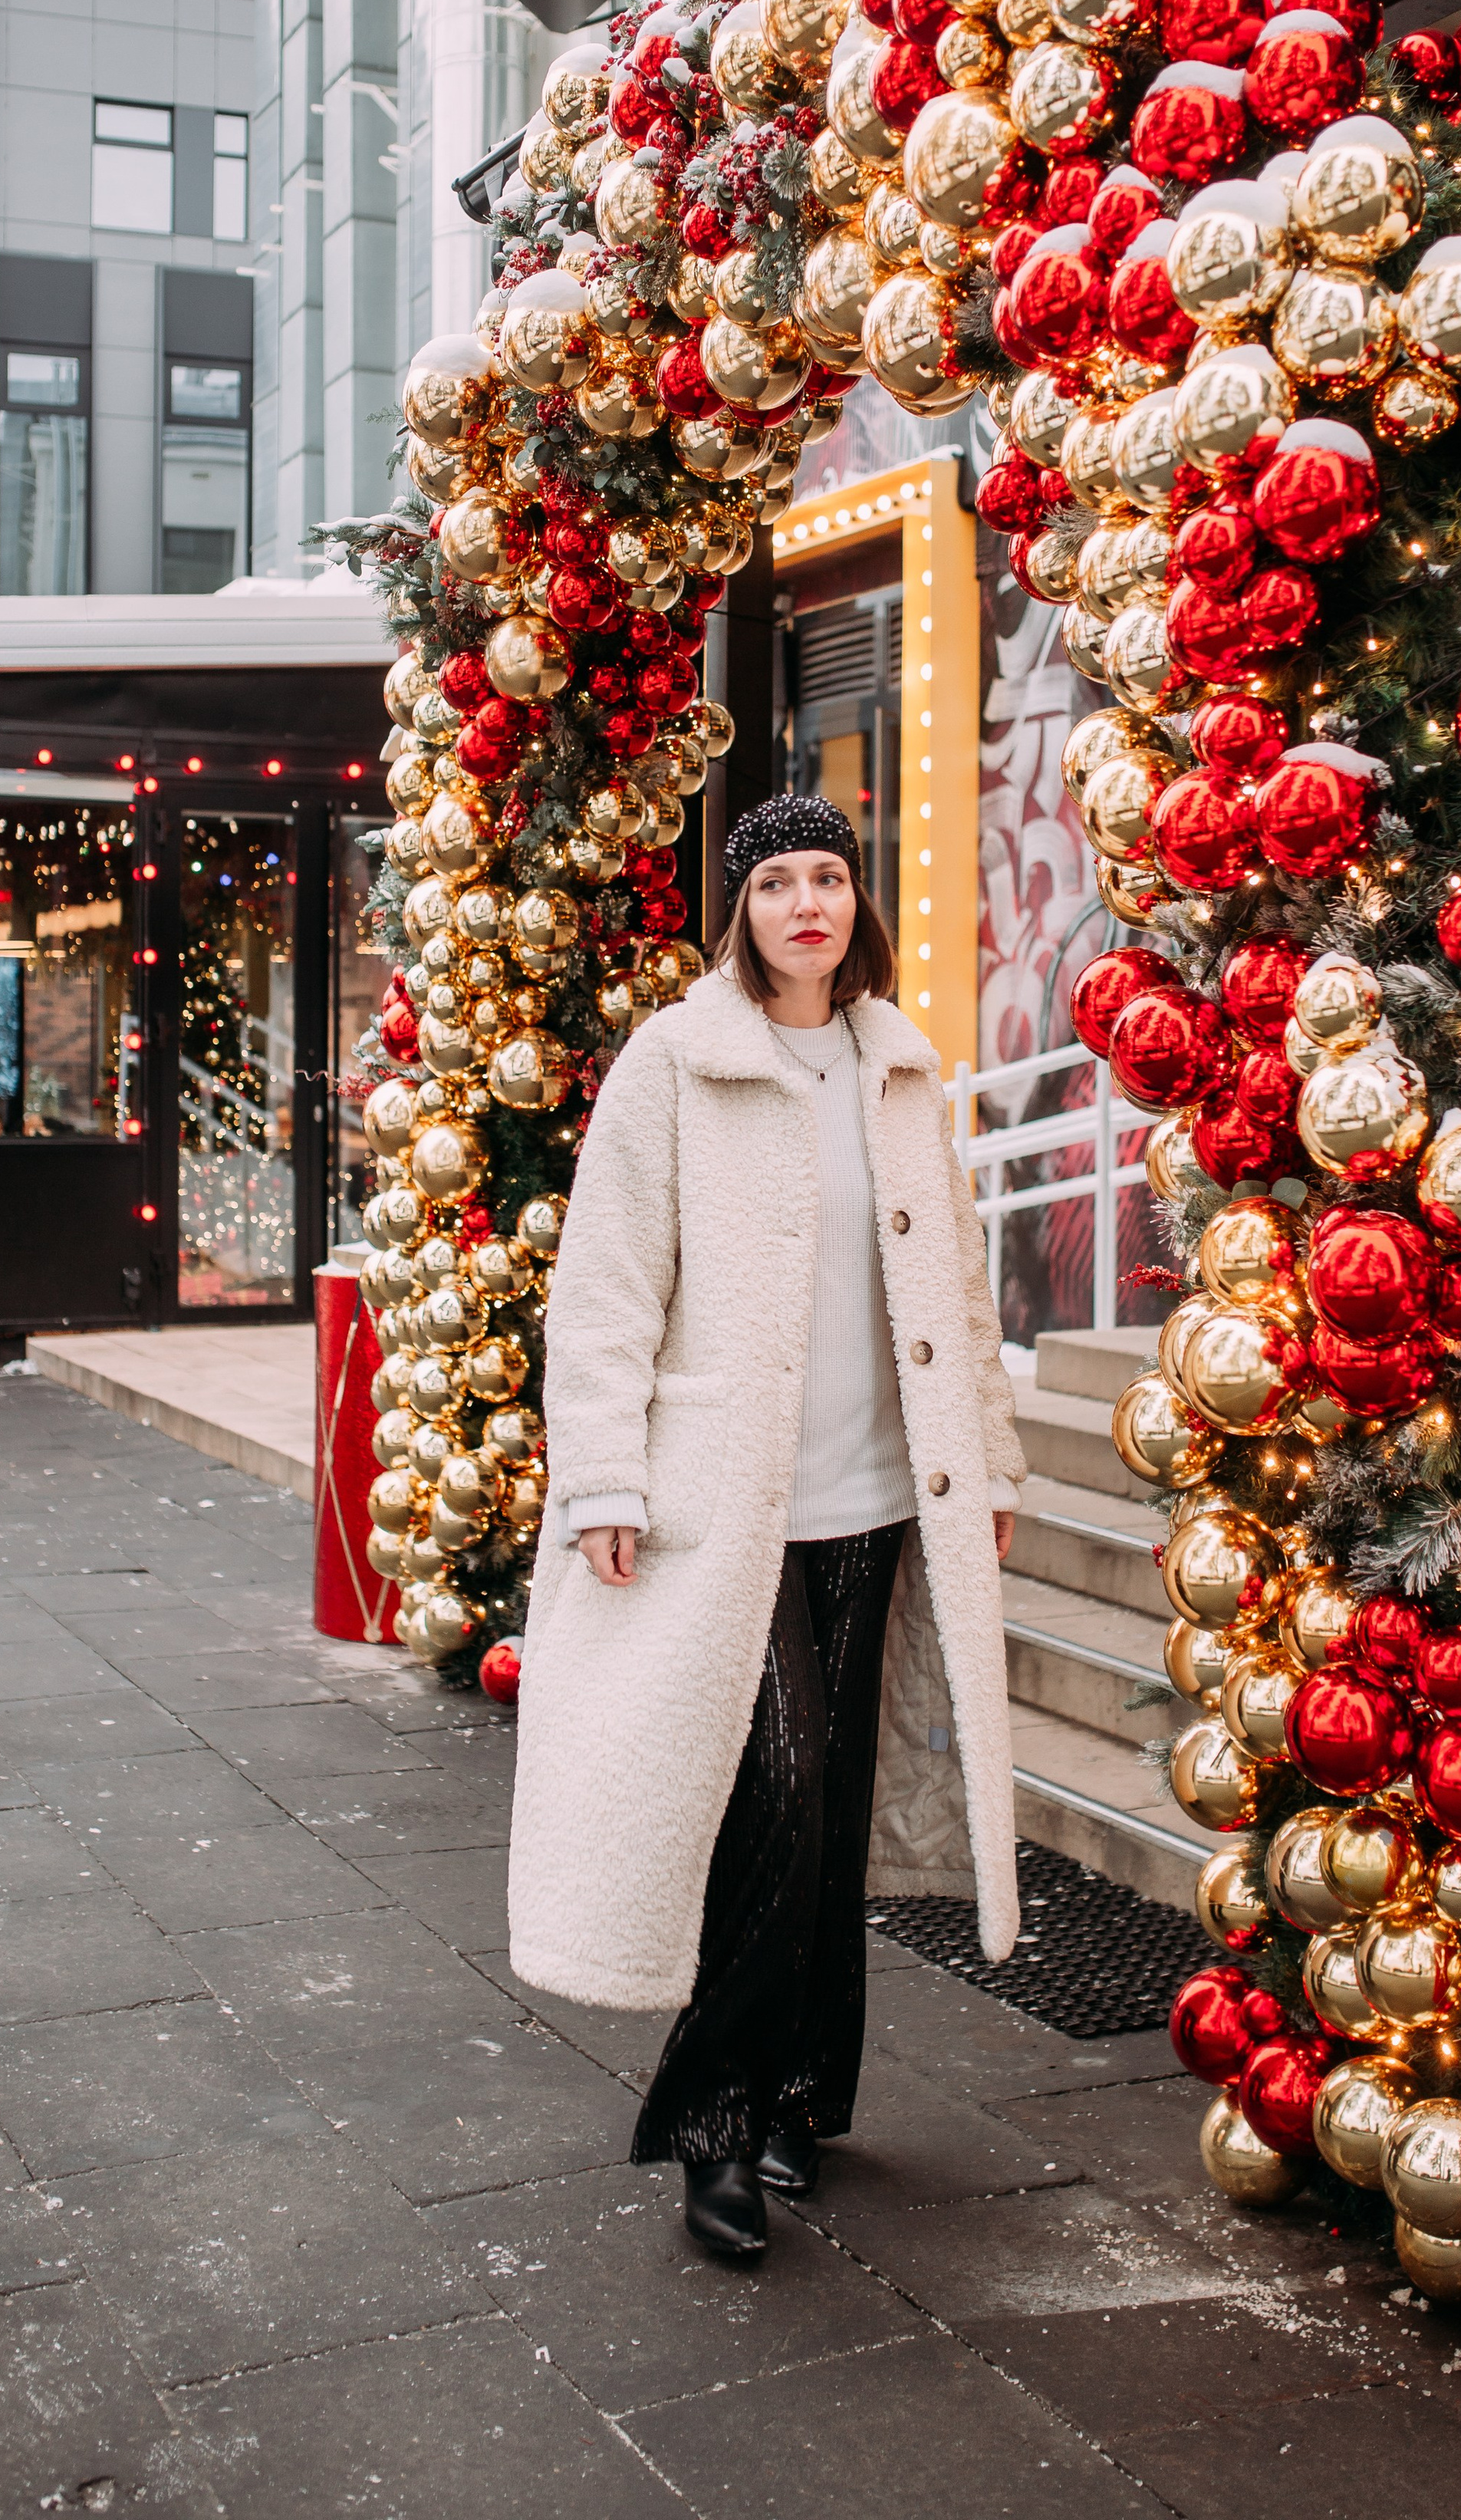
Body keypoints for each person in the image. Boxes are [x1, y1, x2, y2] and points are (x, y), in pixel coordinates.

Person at [508, 792, 1025, 2261]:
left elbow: (959, 1297)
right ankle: (713, 2121)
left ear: (858, 904)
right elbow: (605, 1288)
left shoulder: (899, 1066)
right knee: (780, 1801)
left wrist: (982, 1466)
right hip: (731, 1510)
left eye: (831, 880)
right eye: (778, 882)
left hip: (878, 1494)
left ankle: (806, 2088)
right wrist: (603, 1478)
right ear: (736, 908)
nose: (810, 905)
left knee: (839, 1804)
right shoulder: (677, 1064)